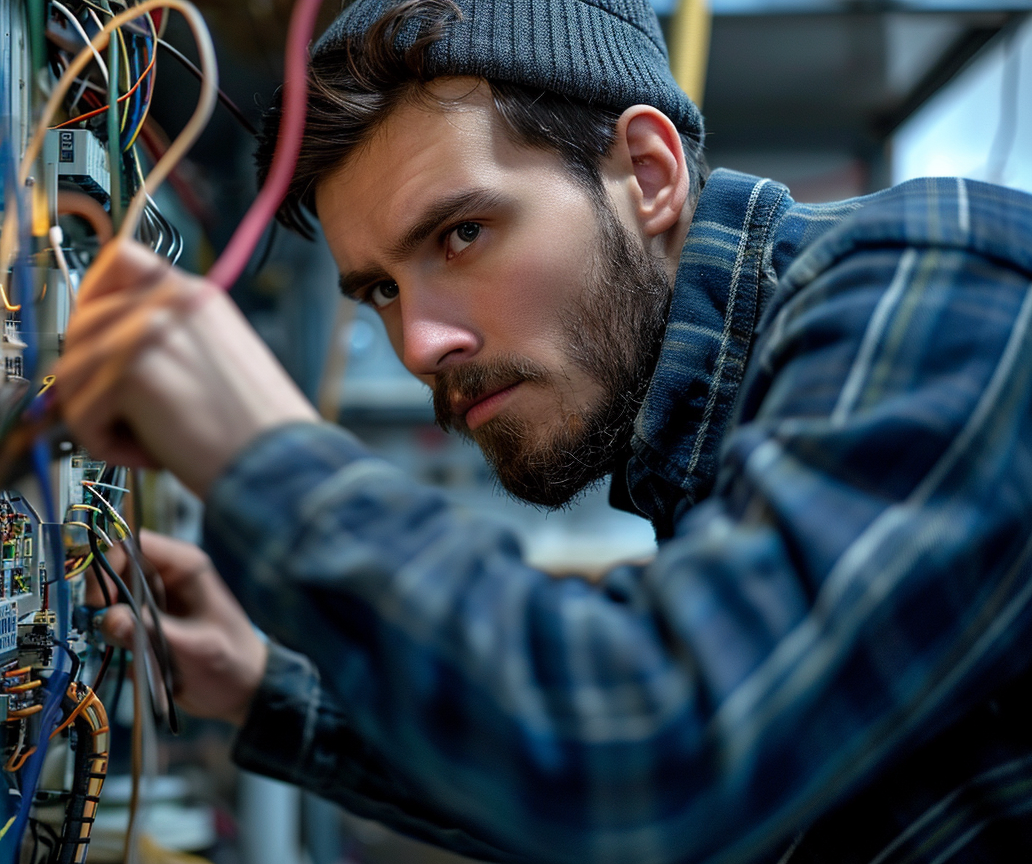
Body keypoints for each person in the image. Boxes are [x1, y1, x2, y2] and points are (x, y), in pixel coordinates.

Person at [53, 0, 1032, 860]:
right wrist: (268, 686)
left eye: (460, 234)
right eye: (380, 292)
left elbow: (646, 766)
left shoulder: (945, 281)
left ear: (646, 173)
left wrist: (263, 454)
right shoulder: (698, 449)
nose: (420, 344)